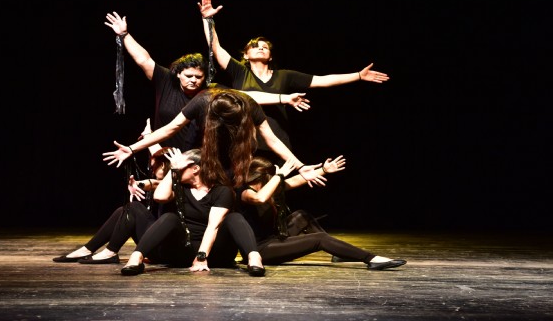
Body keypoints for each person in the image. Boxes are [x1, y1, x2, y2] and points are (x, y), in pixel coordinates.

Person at [198, 0, 390, 159]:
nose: (260, 48)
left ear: (270, 56)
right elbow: (216, 48)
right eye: (255, 46)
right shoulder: (239, 71)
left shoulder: (284, 76)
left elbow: (323, 80)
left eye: (265, 47)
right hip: (245, 141)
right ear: (246, 55)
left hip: (278, 141)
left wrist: (358, 75)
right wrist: (208, 19)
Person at [105, 11, 311, 152]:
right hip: (164, 153)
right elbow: (143, 59)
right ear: (178, 74)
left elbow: (247, 96)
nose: (194, 81)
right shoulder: (166, 80)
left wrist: (284, 98)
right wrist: (124, 35)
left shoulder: (210, 90)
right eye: (189, 76)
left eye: (198, 77)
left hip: (196, 157)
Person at [103, 87, 326, 188]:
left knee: (232, 188)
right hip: (202, 146)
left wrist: (300, 166)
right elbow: (171, 128)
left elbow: (272, 140)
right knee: (190, 183)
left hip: (235, 152)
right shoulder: (202, 102)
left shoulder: (249, 105)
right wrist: (132, 148)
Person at [237, 155, 407, 270]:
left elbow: (296, 180)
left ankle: (338, 252)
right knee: (319, 239)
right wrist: (279, 175)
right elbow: (260, 198)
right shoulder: (245, 193)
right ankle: (371, 259)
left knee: (301, 216)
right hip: (260, 250)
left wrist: (324, 170)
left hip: (274, 238)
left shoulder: (270, 186)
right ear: (262, 178)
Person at [120, 148, 266, 277]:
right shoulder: (180, 188)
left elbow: (213, 227)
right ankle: (136, 258)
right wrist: (173, 170)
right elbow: (159, 197)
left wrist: (202, 257)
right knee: (170, 217)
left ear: (195, 168)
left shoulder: (222, 191)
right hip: (185, 251)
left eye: (180, 166)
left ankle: (254, 258)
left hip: (215, 253)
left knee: (234, 217)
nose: (176, 168)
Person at [52, 121, 171, 264]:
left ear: (163, 165)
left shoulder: (176, 183)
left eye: (153, 168)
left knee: (134, 208)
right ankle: (88, 248)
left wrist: (141, 184)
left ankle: (110, 252)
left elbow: (156, 182)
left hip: (166, 250)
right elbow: (162, 157)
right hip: (157, 243)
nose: (151, 170)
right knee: (123, 210)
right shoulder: (166, 171)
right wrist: (148, 136)